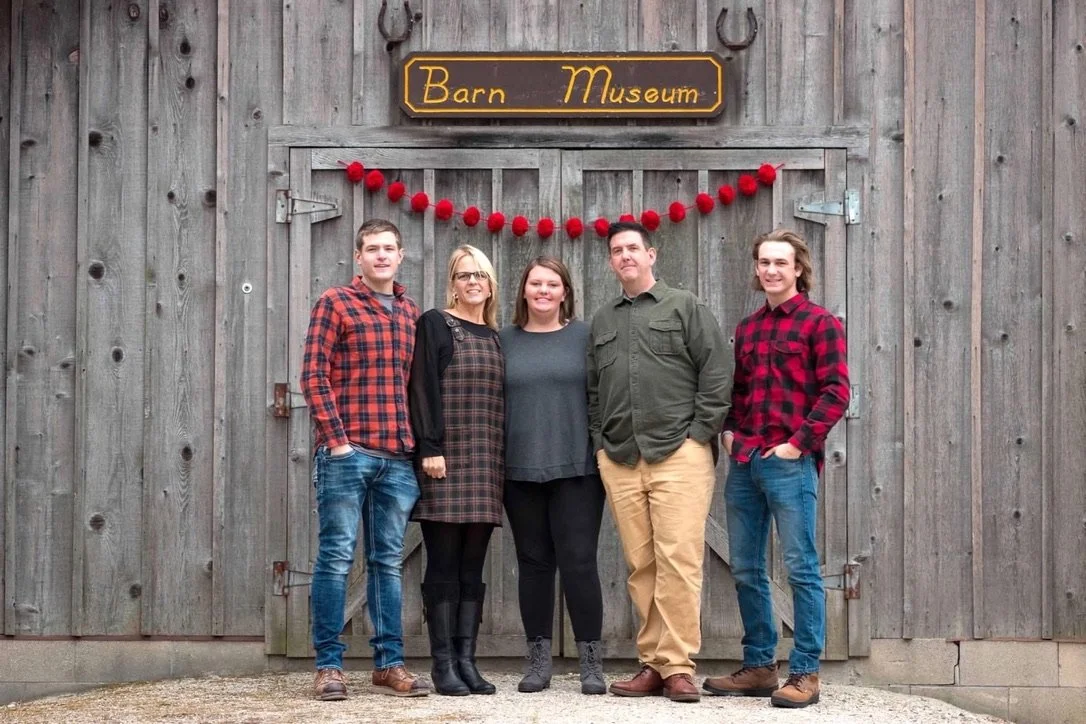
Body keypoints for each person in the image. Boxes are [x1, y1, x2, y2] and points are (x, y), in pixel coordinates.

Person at [702, 228, 850, 709]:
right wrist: (729, 433)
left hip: (790, 464)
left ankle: (805, 672)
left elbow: (836, 393)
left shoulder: (819, 323)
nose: (770, 271)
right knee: (746, 568)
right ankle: (761, 666)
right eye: (764, 262)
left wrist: (796, 446)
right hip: (745, 462)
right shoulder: (748, 327)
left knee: (801, 568)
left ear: (798, 269)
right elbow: (738, 391)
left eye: (780, 263)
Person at [587, 221, 730, 704]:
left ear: (651, 254)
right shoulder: (603, 320)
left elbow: (716, 370)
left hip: (678, 454)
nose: (625, 256)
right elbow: (592, 390)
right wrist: (600, 444)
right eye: (616, 251)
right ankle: (652, 663)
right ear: (611, 262)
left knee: (678, 560)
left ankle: (678, 665)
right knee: (640, 563)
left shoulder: (684, 306)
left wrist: (699, 435)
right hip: (622, 457)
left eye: (633, 248)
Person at [300, 218, 430, 701]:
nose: (381, 256)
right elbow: (313, 375)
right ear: (359, 257)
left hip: (397, 459)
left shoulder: (410, 311)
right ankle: (329, 666)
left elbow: (415, 386)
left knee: (387, 563)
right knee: (336, 558)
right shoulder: (335, 303)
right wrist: (337, 441)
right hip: (347, 454)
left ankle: (388, 663)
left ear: (400, 256)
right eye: (372, 248)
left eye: (389, 248)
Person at [500, 257, 606, 696]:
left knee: (580, 562)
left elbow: (604, 393)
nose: (543, 290)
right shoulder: (502, 340)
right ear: (523, 290)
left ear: (565, 292)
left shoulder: (587, 337)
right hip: (518, 469)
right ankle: (538, 659)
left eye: (552, 284)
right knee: (533, 564)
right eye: (535, 283)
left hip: (578, 468)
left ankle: (591, 662)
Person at [409, 245, 504, 697]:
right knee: (443, 564)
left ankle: (467, 661)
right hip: (444, 461)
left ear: (491, 284)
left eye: (481, 276)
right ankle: (442, 664)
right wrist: (429, 446)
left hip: (487, 465)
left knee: (473, 566)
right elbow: (422, 386)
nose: (473, 283)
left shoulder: (496, 335)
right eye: (465, 275)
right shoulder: (436, 323)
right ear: (453, 281)